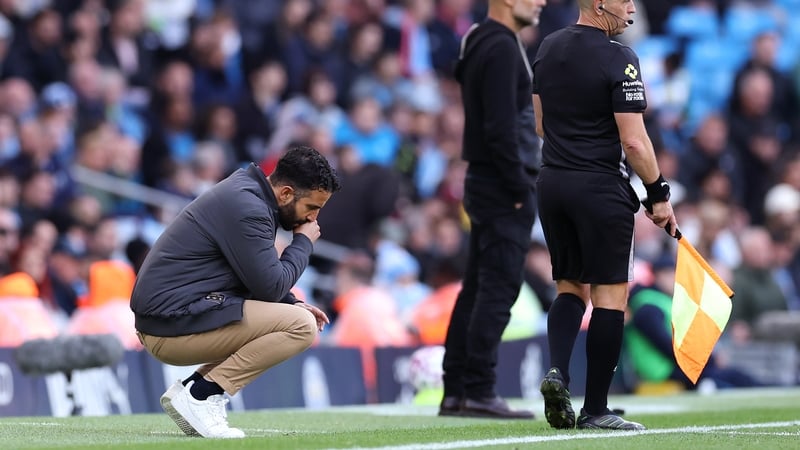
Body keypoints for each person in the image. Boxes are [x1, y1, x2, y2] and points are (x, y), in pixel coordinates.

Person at [532, 0, 677, 431]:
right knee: (610, 296)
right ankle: (596, 408)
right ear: (598, 4)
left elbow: (541, 126)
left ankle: (558, 370)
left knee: (569, 287)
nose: (632, 7)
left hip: (553, 184)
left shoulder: (547, 48)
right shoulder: (620, 57)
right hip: (600, 187)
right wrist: (658, 193)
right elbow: (634, 142)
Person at [130, 146, 340, 438]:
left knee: (296, 316)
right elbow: (270, 286)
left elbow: (253, 275)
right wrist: (303, 244)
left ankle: (195, 388)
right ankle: (202, 395)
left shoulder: (248, 195)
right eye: (311, 208)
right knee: (301, 327)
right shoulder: (249, 206)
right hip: (169, 326)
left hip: (174, 316)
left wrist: (292, 302)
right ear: (286, 193)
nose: (313, 219)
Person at [438, 0, 546, 419]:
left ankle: (458, 390)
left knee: (478, 288)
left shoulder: (479, 39)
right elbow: (500, 126)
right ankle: (479, 389)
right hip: (503, 184)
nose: (542, 2)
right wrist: (519, 184)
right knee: (498, 289)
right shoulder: (500, 45)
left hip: (486, 180)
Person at [625, 255, 764, 391]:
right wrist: (706, 361)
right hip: (665, 372)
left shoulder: (658, 301)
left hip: (674, 369)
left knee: (733, 377)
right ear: (659, 275)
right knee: (731, 380)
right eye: (672, 273)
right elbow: (666, 345)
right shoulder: (648, 306)